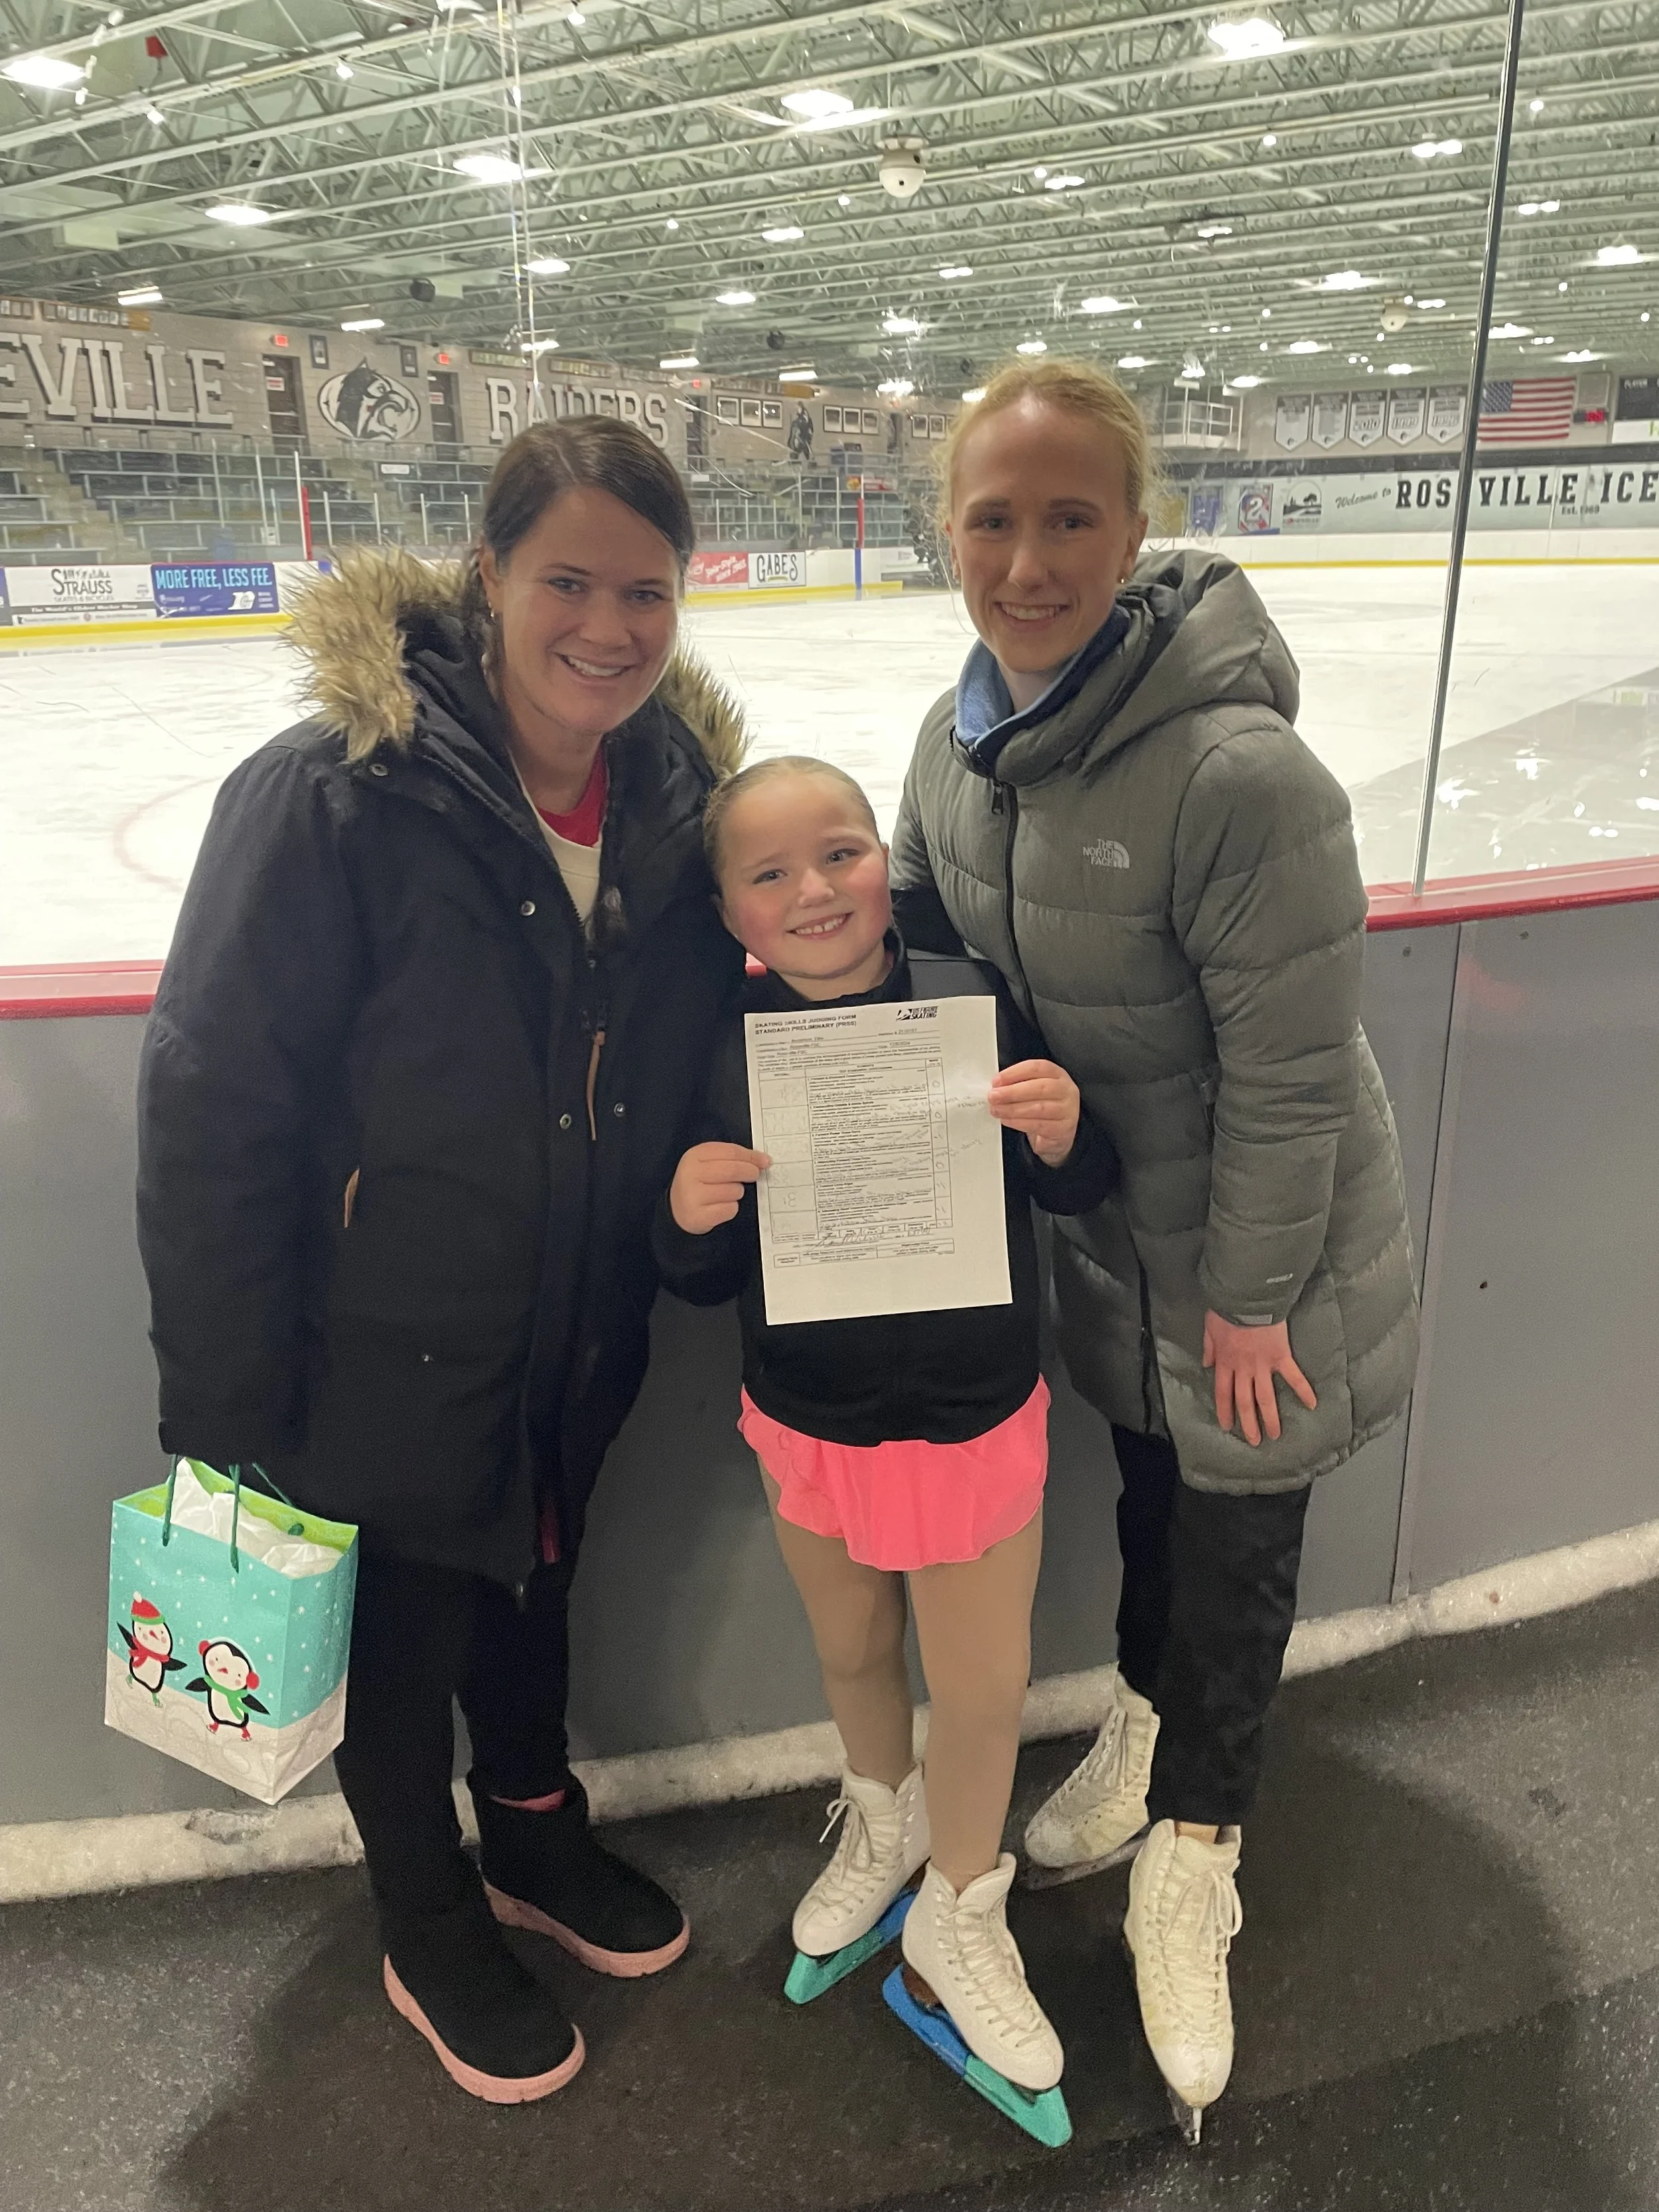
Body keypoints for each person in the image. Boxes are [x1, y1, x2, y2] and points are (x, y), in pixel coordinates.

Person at [135, 419, 747, 2104]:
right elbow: (214, 1102)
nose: (609, 627)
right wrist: (224, 1402)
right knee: (397, 1639)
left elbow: (694, 1052)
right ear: (488, 576)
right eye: (568, 580)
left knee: (537, 1579)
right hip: (371, 1340)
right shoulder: (335, 790)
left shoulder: (678, 804)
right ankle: (422, 1908)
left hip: (573, 1325)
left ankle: (532, 1832)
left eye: (646, 590)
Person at [888, 359, 1419, 2135]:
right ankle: (1138, 1716)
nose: (1025, 558)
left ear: (1132, 529)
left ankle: (1198, 1843)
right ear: (942, 528)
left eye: (1067, 517)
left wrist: (1251, 1292)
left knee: (1235, 1543)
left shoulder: (1240, 775)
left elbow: (1287, 1073)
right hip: (1100, 1230)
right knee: (1145, 1502)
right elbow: (910, 961)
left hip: (1254, 1253)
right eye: (991, 516)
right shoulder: (949, 746)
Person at [652, 757, 1118, 2101]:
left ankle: (960, 1907)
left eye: (840, 853)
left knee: (976, 1688)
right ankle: (883, 1814)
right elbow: (689, 1269)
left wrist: (1061, 1132)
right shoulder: (721, 1052)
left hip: (973, 1420)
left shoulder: (970, 998)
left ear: (883, 866)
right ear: (732, 914)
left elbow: (1081, 1181)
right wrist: (684, 1213)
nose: (814, 889)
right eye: (770, 874)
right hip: (811, 1422)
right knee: (852, 1645)